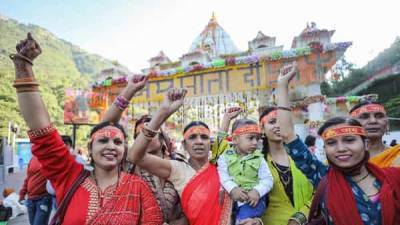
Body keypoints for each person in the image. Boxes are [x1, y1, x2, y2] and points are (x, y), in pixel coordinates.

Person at [10, 33, 162, 225]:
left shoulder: (138, 188)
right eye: (103, 140)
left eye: (117, 142)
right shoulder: (70, 176)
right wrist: (24, 67)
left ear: (125, 149)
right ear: (90, 148)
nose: (111, 146)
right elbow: (43, 131)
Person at [276, 62, 400, 225]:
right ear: (325, 149)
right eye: (331, 143)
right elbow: (286, 133)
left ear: (366, 144)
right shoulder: (322, 176)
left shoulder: (393, 178)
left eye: (349, 140)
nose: (341, 148)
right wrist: (282, 85)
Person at [128, 89, 264, 225]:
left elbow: (251, 196)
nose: (199, 141)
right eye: (192, 137)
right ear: (184, 144)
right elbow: (135, 156)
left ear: (209, 143)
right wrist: (162, 112)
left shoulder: (224, 164)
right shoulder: (178, 169)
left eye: (204, 137)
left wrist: (256, 221)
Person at [217, 119, 273, 224]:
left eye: (257, 139)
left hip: (251, 201)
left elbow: (268, 179)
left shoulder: (259, 159)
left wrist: (257, 191)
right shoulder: (225, 156)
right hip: (229, 200)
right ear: (235, 139)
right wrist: (232, 189)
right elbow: (222, 175)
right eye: (250, 138)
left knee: (244, 222)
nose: (255, 142)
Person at [349, 101, 400, 167]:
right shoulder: (341, 158)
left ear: (387, 125)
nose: (373, 121)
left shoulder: (397, 155)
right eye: (364, 117)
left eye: (379, 116)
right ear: (351, 126)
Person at [19, 156, 52, 225]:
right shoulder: (33, 158)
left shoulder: (50, 157)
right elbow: (28, 178)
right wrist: (22, 194)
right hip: (30, 200)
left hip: (44, 199)